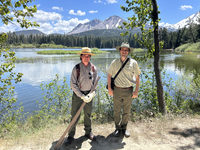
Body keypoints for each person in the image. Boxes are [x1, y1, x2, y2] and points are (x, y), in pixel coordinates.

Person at [65, 47, 97, 146]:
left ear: (90, 57)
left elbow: (95, 83)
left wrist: (92, 93)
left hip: (89, 95)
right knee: (74, 116)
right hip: (78, 95)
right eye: (84, 55)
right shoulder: (76, 68)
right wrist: (81, 95)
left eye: (88, 56)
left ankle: (88, 132)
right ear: (81, 56)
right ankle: (70, 136)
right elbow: (72, 84)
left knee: (87, 114)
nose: (86, 57)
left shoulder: (93, 68)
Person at [107, 42, 141, 138]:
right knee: (117, 111)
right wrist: (109, 88)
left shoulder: (133, 63)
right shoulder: (114, 62)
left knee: (126, 111)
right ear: (120, 51)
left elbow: (137, 77)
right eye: (122, 49)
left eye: (126, 50)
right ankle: (117, 128)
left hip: (129, 91)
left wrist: (136, 91)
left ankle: (124, 128)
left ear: (128, 52)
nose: (124, 51)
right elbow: (109, 75)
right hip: (117, 90)